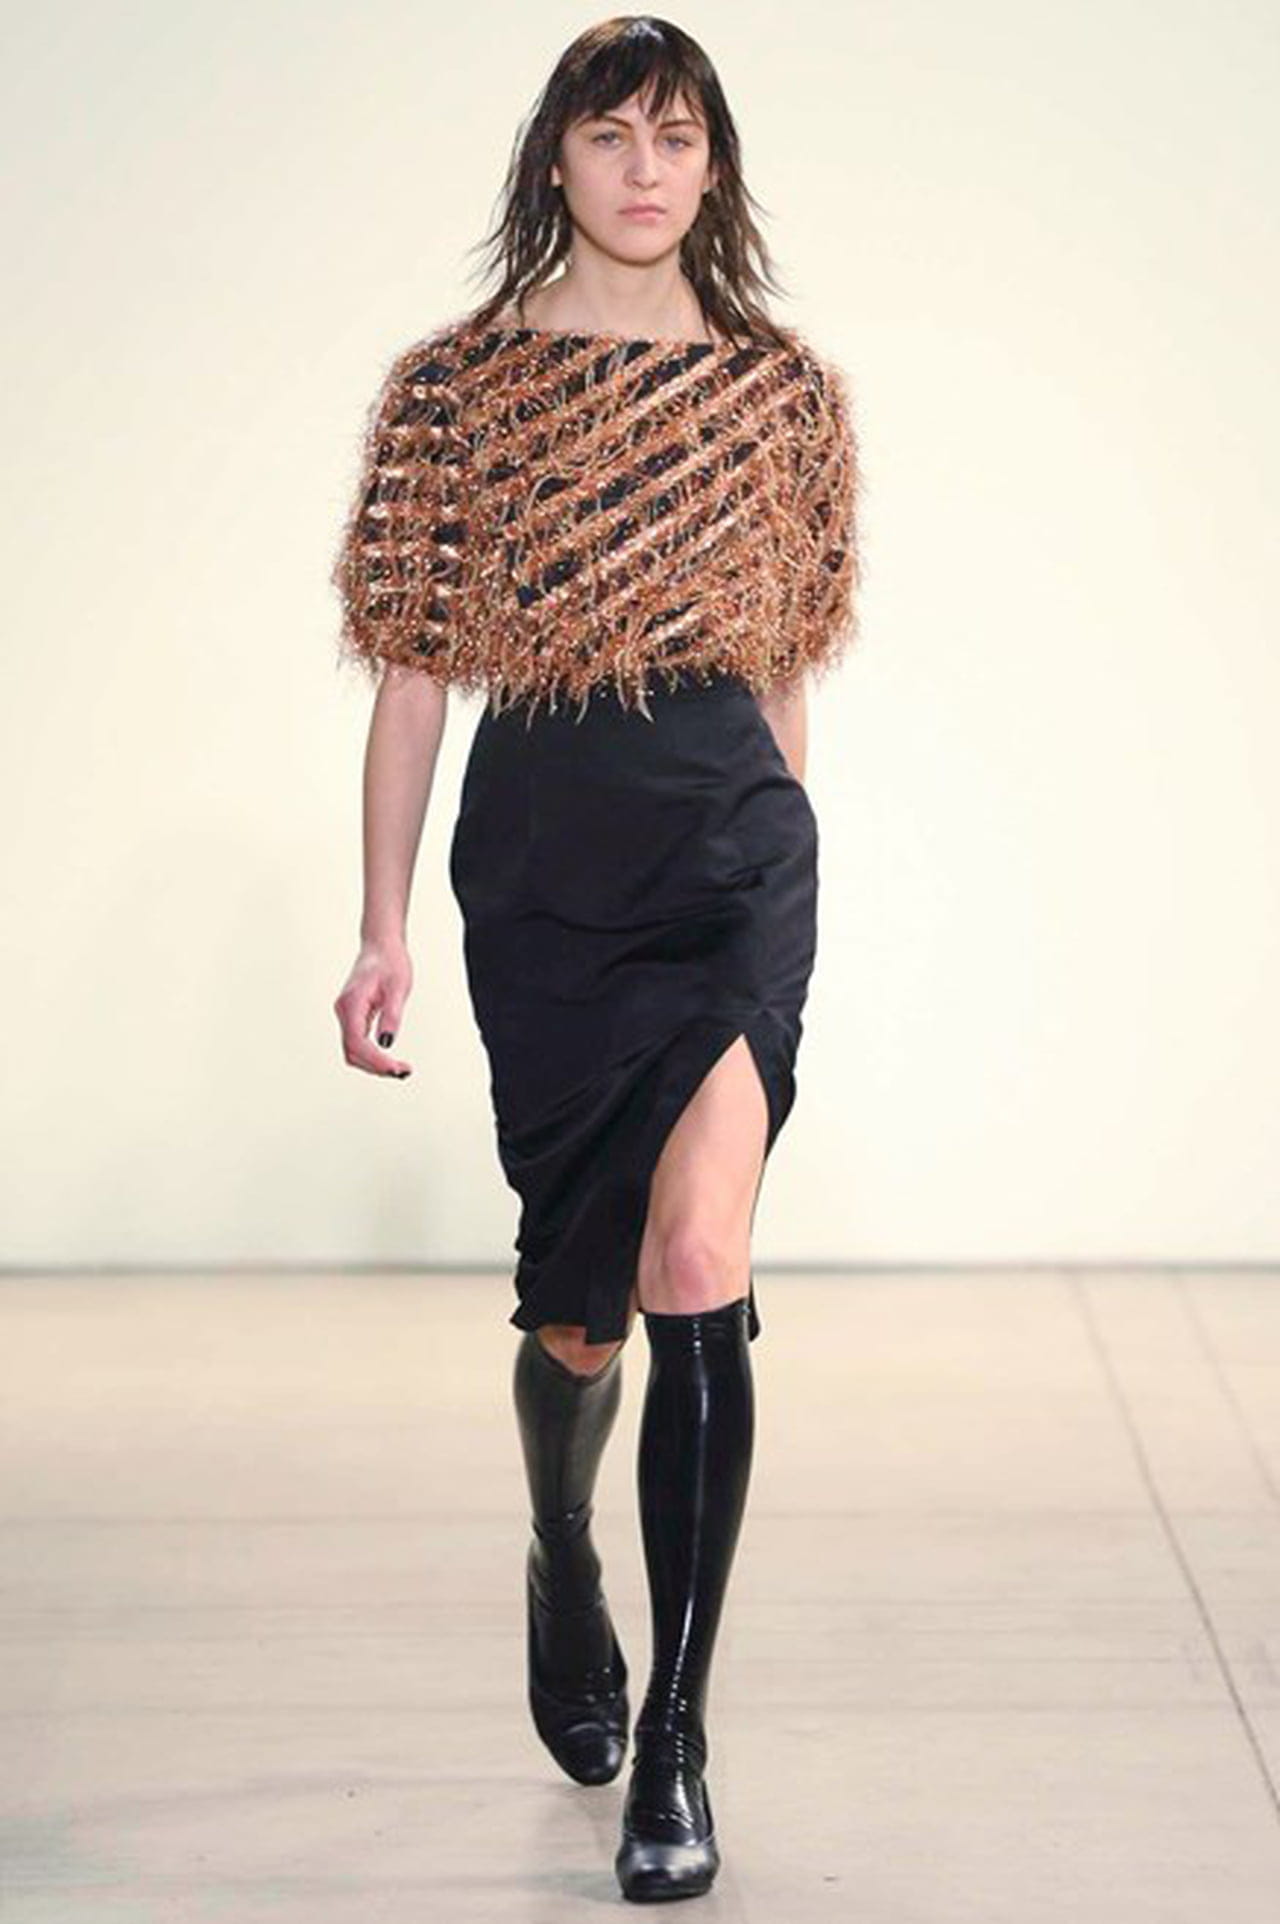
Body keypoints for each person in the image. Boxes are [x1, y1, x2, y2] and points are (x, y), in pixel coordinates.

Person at [330, 15, 861, 1903]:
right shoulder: (457, 390)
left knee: (700, 1256)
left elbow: (786, 668)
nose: (645, 169)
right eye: (611, 135)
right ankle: (565, 1556)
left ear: (716, 168)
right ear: (553, 159)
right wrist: (383, 925)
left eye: (677, 137)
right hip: (550, 865)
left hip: (730, 857)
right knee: (583, 1308)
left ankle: (680, 1744)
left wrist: (785, 882)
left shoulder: (784, 396)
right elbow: (414, 679)